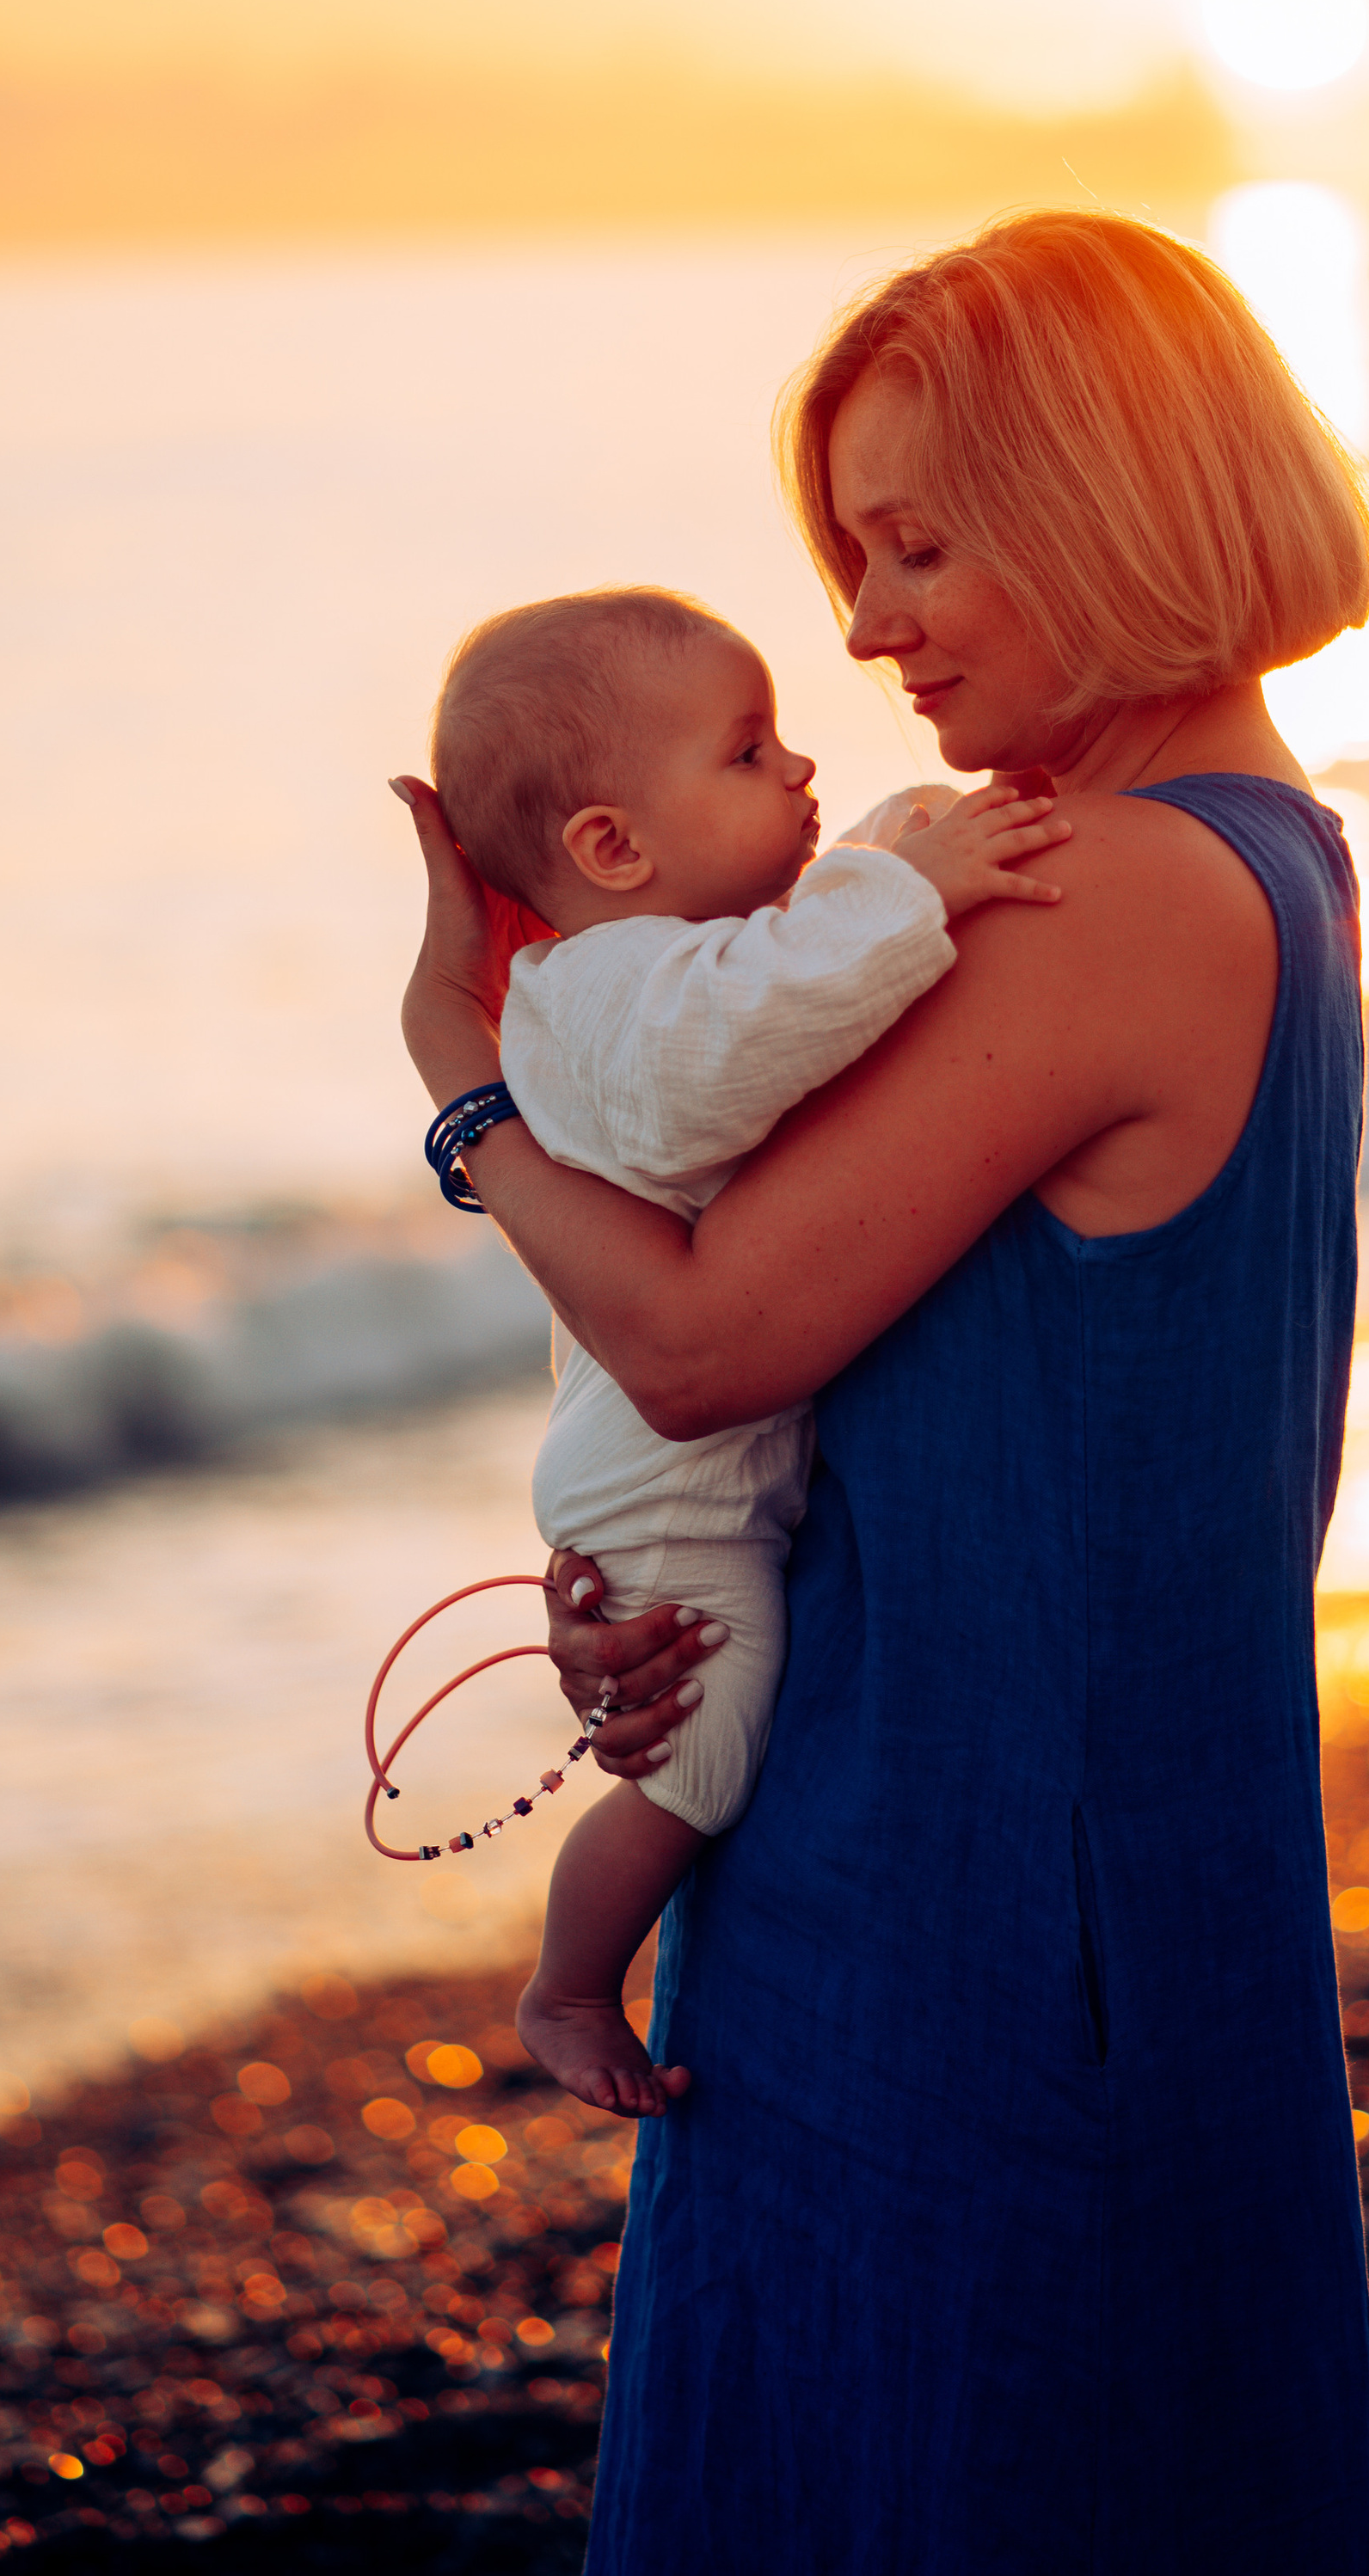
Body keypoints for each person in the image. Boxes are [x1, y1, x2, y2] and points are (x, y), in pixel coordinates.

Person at [391, 209, 1369, 2573]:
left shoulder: (1113, 890)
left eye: (919, 541)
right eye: (849, 552)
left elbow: (710, 1327)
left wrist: (463, 1086)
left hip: (993, 1930)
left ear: (1110, 496)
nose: (861, 623)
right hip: (990, 1852)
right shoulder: (1242, 853)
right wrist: (658, 1564)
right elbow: (900, 1388)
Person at [420, 585, 1071, 2116]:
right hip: (666, 1482)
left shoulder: (686, 956)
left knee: (716, 1720)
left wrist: (923, 840)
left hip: (657, 1442)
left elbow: (800, 962)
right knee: (704, 1745)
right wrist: (919, 889)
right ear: (610, 850)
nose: (795, 770)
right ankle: (571, 1979)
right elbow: (724, 1062)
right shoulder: (606, 1000)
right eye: (747, 749)